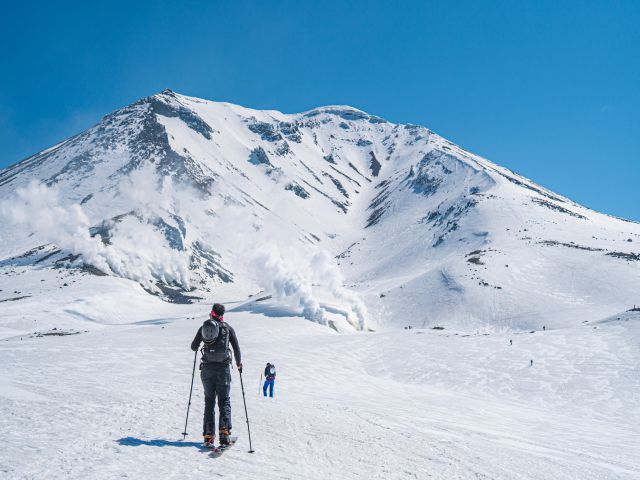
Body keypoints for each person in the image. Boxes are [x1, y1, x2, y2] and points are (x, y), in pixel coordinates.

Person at [191, 303, 242, 447]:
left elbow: (193, 347)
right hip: (223, 370)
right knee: (224, 401)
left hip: (207, 370)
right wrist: (239, 364)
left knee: (209, 401)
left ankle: (208, 436)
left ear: (211, 312)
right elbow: (236, 349)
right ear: (222, 315)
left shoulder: (204, 327)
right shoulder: (227, 328)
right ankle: (224, 434)